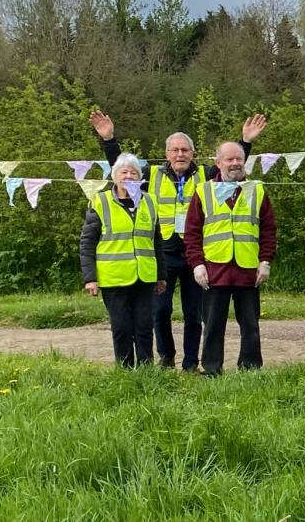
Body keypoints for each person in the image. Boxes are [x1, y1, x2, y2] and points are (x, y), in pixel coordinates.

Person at [87, 110, 266, 372]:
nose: (180, 154)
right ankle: (166, 355)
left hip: (197, 256)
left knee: (194, 315)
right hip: (163, 254)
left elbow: (232, 166)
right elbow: (124, 172)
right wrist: (109, 140)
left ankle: (191, 362)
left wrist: (246, 141)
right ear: (167, 153)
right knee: (159, 312)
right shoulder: (151, 175)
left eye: (185, 150)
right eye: (175, 150)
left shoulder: (206, 175)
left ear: (192, 154)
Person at [183, 141, 277, 375]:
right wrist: (196, 265)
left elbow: (268, 230)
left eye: (239, 159)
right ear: (218, 163)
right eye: (229, 159)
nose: (235, 163)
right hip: (214, 270)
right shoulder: (203, 191)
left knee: (250, 325)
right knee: (213, 325)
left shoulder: (257, 190)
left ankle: (250, 367)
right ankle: (212, 369)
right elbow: (192, 232)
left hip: (248, 269)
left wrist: (265, 261)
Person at [79, 153, 167, 367]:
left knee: (145, 327)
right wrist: (90, 278)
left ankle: (147, 370)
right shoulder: (100, 202)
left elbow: (157, 242)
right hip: (114, 278)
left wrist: (161, 276)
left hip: (145, 276)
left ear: (140, 177)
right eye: (124, 172)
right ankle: (125, 370)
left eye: (133, 172)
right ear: (114, 176)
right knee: (122, 327)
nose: (129, 176)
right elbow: (87, 243)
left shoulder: (150, 202)